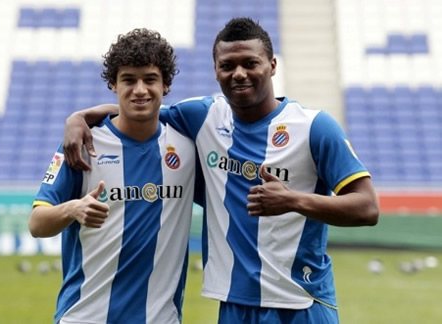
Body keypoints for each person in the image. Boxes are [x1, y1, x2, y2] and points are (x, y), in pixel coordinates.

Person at [63, 18, 379, 324]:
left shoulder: (314, 127)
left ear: (272, 65)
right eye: (228, 66)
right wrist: (79, 117)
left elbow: (367, 207)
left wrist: (294, 201)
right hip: (234, 305)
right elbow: (141, 109)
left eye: (250, 63)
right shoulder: (203, 117)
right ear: (216, 71)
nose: (239, 73)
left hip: (302, 301)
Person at [29, 28, 197, 324]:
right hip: (84, 317)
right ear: (113, 84)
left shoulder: (188, 146)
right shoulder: (82, 143)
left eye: (150, 79)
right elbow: (37, 224)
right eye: (129, 80)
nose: (140, 90)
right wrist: (73, 208)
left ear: (166, 84)